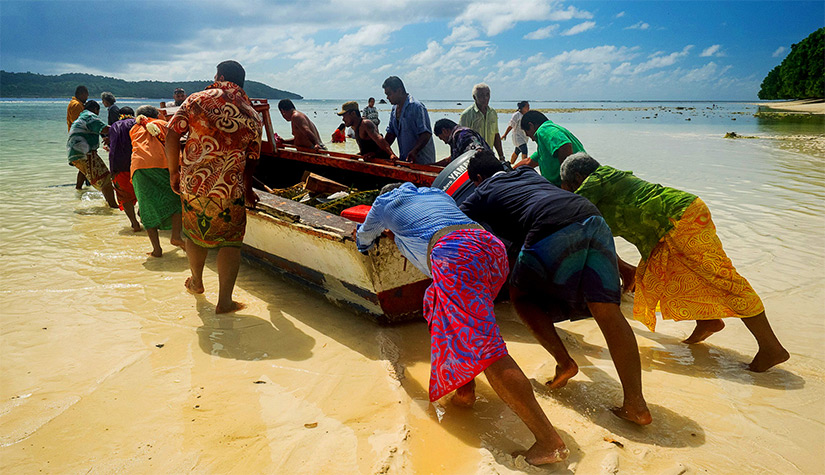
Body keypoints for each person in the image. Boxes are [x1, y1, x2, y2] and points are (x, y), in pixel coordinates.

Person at [356, 182, 569, 466]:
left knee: (486, 348)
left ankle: (548, 441)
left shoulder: (384, 203)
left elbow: (362, 240)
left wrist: (382, 232)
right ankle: (464, 391)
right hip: (491, 249)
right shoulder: (436, 193)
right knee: (437, 306)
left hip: (455, 256)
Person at [460, 150, 652, 425]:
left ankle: (565, 361)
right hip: (591, 216)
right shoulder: (526, 172)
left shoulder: (481, 191)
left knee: (520, 295)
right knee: (607, 312)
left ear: (478, 178)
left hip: (550, 222)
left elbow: (452, 221)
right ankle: (636, 405)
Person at [560, 153, 790, 372]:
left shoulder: (594, 181)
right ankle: (707, 322)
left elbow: (566, 210)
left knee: (723, 279)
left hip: (680, 217)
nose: (566, 189)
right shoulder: (605, 179)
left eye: (566, 184)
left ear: (578, 179)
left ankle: (771, 348)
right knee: (672, 276)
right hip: (672, 222)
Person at [166, 60, 262, 313]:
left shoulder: (197, 99)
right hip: (230, 188)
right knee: (230, 242)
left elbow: (172, 133)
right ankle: (225, 302)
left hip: (194, 183)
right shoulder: (252, 113)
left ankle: (197, 282)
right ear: (241, 82)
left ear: (219, 76)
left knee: (195, 234)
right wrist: (248, 188)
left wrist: (173, 171)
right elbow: (253, 158)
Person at [130, 106, 184, 257]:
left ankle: (157, 249)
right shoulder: (163, 124)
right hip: (161, 165)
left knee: (146, 207)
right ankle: (176, 237)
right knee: (176, 200)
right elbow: (173, 145)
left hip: (139, 167)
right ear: (157, 114)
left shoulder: (134, 129)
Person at [67, 100, 119, 208]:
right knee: (106, 180)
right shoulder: (90, 116)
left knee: (102, 179)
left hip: (75, 153)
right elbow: (105, 128)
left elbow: (97, 131)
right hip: (85, 153)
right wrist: (121, 128)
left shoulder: (82, 116)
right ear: (96, 110)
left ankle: (108, 204)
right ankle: (113, 206)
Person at [515, 110, 584, 186]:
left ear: (531, 126)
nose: (527, 135)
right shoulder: (545, 144)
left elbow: (564, 145)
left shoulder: (544, 130)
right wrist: (510, 171)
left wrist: (566, 181)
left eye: (526, 131)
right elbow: (529, 162)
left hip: (578, 185)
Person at [382, 76, 436, 165]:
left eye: (389, 94)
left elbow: (426, 134)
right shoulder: (394, 109)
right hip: (405, 160)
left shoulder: (416, 106)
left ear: (399, 91)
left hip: (422, 161)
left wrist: (414, 151)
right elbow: (391, 134)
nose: (387, 98)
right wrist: (380, 151)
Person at [106, 106, 141, 231]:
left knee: (124, 195)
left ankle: (134, 223)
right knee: (142, 192)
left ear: (120, 115)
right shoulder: (138, 123)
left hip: (119, 165)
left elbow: (113, 148)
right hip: (138, 163)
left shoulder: (115, 125)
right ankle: (142, 213)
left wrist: (112, 170)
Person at [459, 83, 505, 161]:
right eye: (481, 95)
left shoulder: (492, 113)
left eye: (487, 95)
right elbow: (461, 140)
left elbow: (496, 135)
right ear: (474, 97)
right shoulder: (466, 115)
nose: (485, 98)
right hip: (473, 158)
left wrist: (501, 156)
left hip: (489, 156)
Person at [67, 85, 90, 189]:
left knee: (85, 165)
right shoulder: (76, 105)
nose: (87, 97)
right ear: (82, 94)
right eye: (86, 95)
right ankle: (79, 188)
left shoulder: (76, 104)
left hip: (78, 138)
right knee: (84, 165)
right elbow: (80, 123)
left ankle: (83, 188)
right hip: (79, 139)